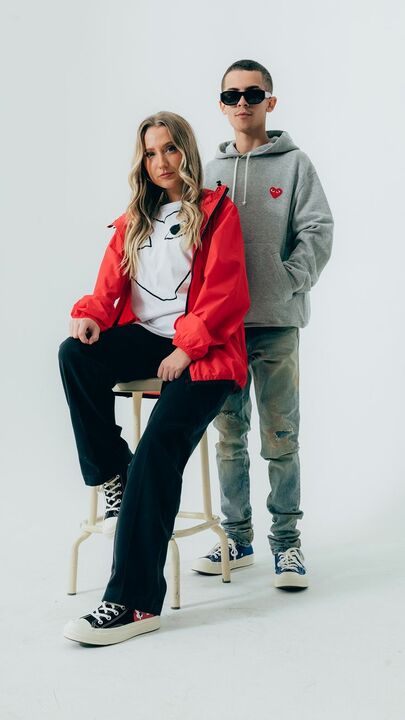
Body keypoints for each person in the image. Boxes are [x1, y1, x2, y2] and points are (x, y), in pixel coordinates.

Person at [59, 111, 249, 645]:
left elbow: (226, 292)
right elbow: (108, 287)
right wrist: (92, 315)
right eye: (150, 152)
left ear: (186, 150)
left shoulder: (216, 211)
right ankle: (112, 473)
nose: (161, 161)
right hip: (148, 339)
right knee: (75, 355)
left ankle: (135, 603)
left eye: (170, 148)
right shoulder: (135, 220)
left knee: (158, 451)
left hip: (207, 351)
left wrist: (187, 349)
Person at [192, 59, 333, 589]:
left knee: (280, 437)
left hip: (276, 323)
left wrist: (289, 278)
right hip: (222, 330)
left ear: (270, 102)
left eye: (253, 94)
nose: (243, 103)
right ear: (221, 104)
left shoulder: (295, 164)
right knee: (228, 436)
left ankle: (287, 543)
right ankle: (237, 537)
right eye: (232, 95)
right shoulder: (210, 171)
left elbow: (318, 228)